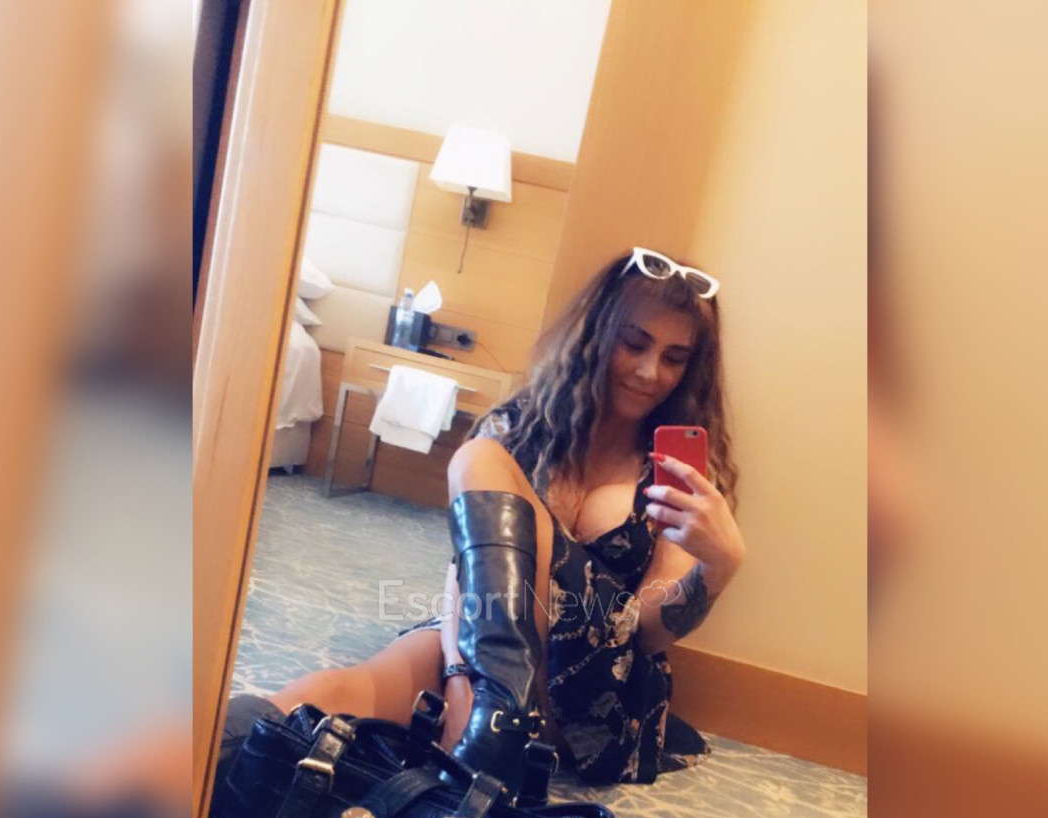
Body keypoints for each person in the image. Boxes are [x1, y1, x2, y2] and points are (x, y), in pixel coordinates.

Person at [262, 247, 747, 786]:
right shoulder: (520, 427)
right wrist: (458, 676)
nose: (650, 371)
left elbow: (648, 634)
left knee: (479, 459)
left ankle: (491, 723)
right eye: (633, 343)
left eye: (675, 358)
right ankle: (191, 777)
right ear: (597, 334)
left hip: (596, 681)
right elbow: (464, 570)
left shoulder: (678, 470)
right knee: (328, 696)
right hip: (488, 642)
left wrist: (718, 568)